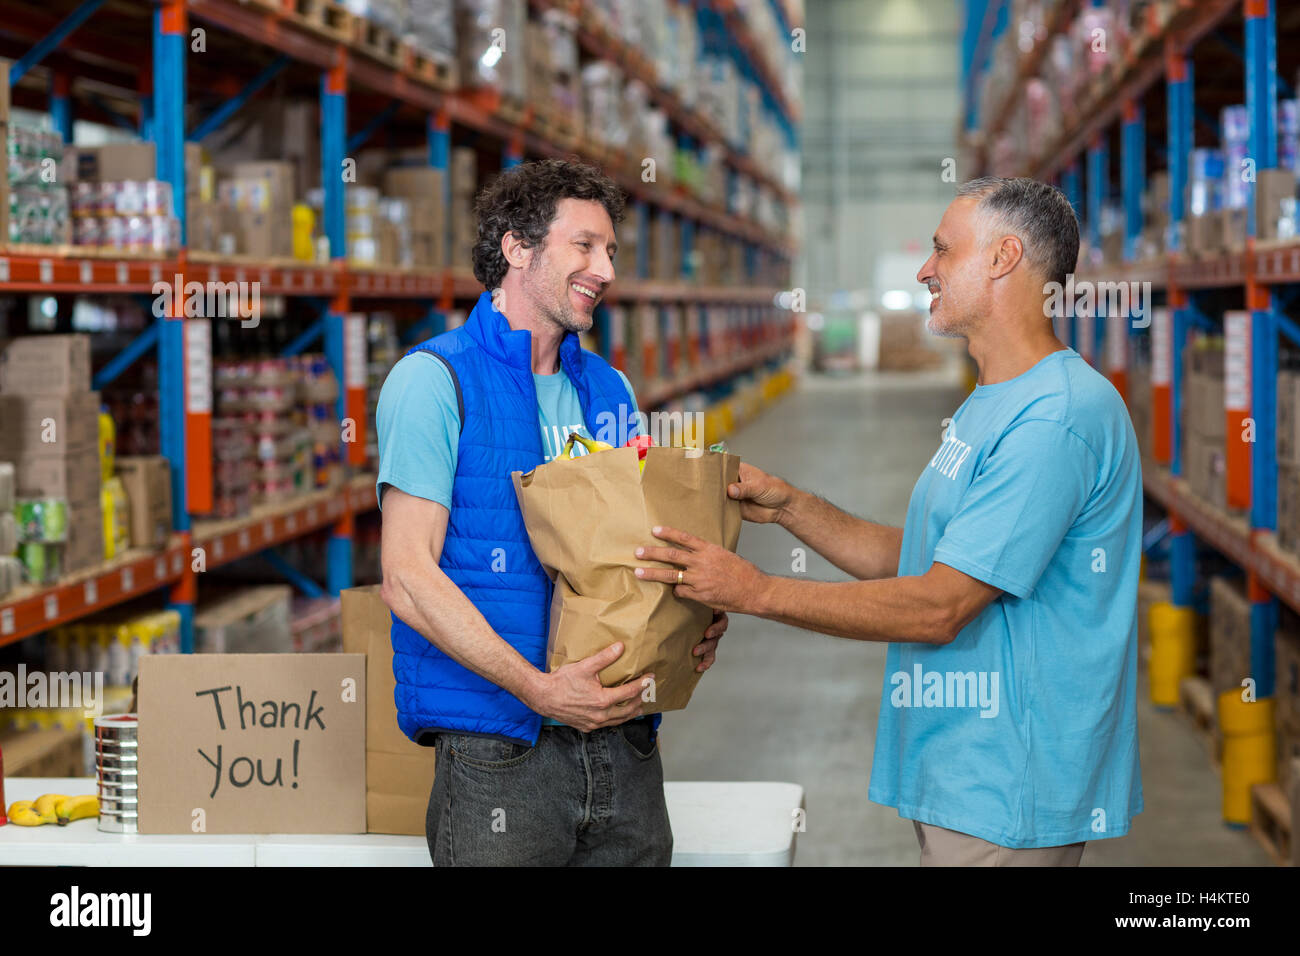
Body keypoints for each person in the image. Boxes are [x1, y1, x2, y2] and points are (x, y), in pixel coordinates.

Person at [633, 177, 1143, 866]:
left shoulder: (1055, 417)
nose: (924, 270)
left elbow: (939, 605)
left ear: (1003, 258)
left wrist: (753, 591)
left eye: (942, 250)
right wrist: (790, 507)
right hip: (960, 766)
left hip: (1009, 784)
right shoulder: (995, 398)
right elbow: (934, 557)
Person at [376, 158, 728, 866]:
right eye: (585, 246)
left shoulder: (609, 388)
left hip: (623, 742)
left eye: (611, 252)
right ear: (516, 247)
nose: (605, 270)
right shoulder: (433, 381)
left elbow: (636, 545)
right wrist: (540, 690)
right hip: (501, 751)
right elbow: (407, 577)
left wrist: (692, 616)